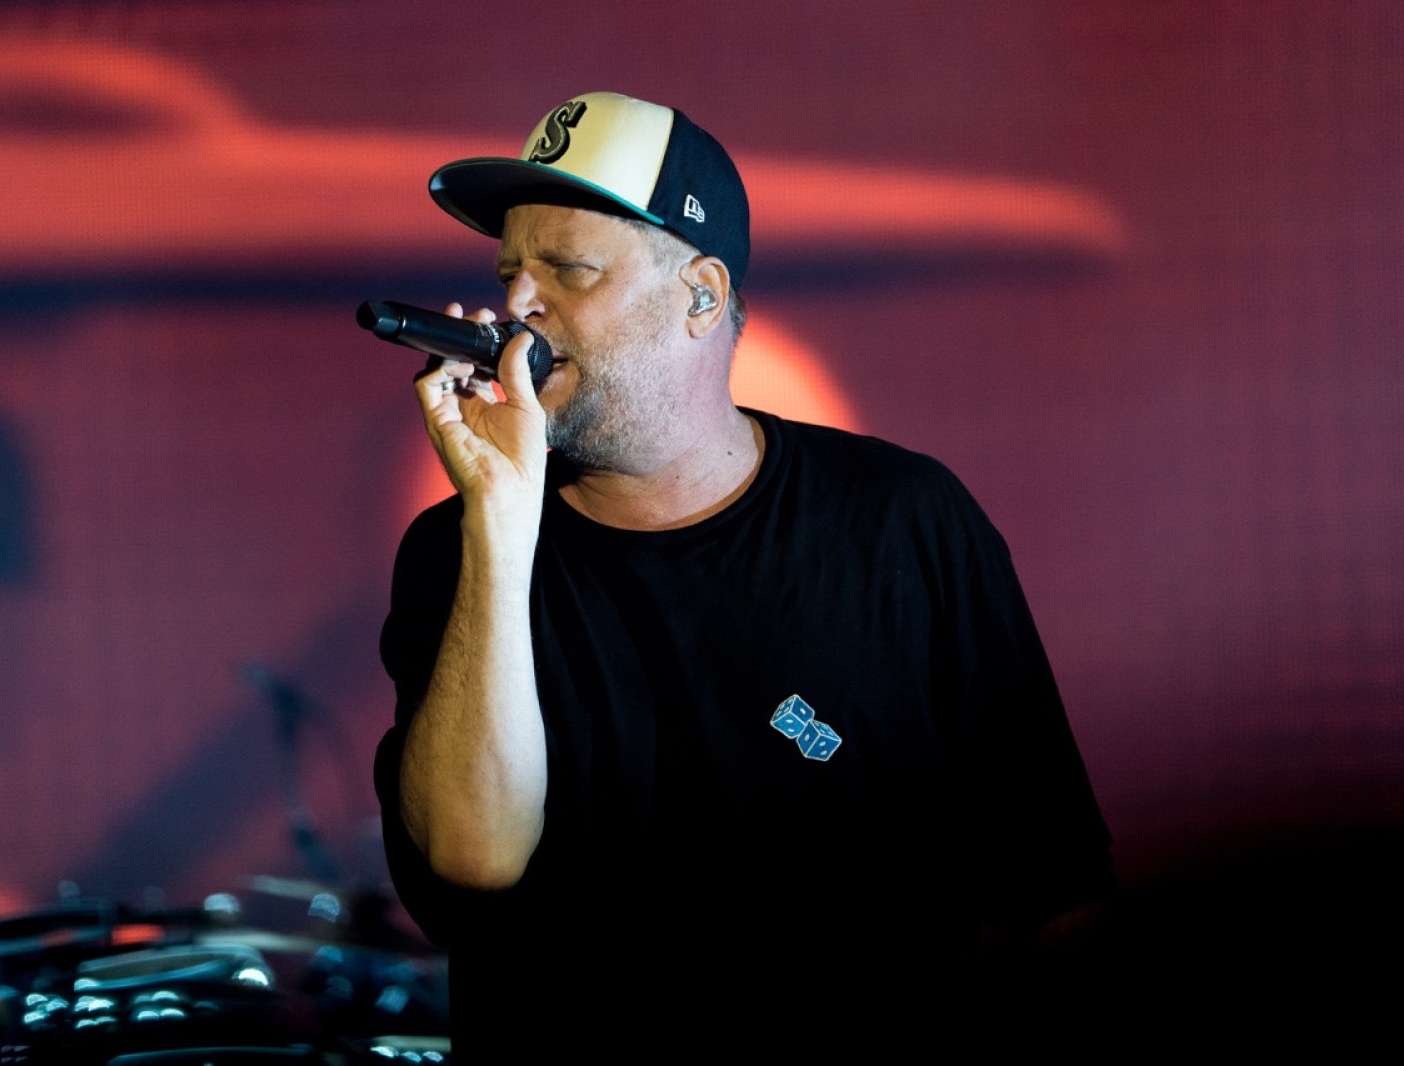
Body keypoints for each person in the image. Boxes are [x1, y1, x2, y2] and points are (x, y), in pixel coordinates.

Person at [373, 91, 1114, 1060]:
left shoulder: (897, 520)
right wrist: (501, 525)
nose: (518, 306)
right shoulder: (461, 547)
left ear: (701, 296)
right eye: (509, 271)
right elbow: (472, 858)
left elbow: (1052, 889)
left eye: (568, 269)